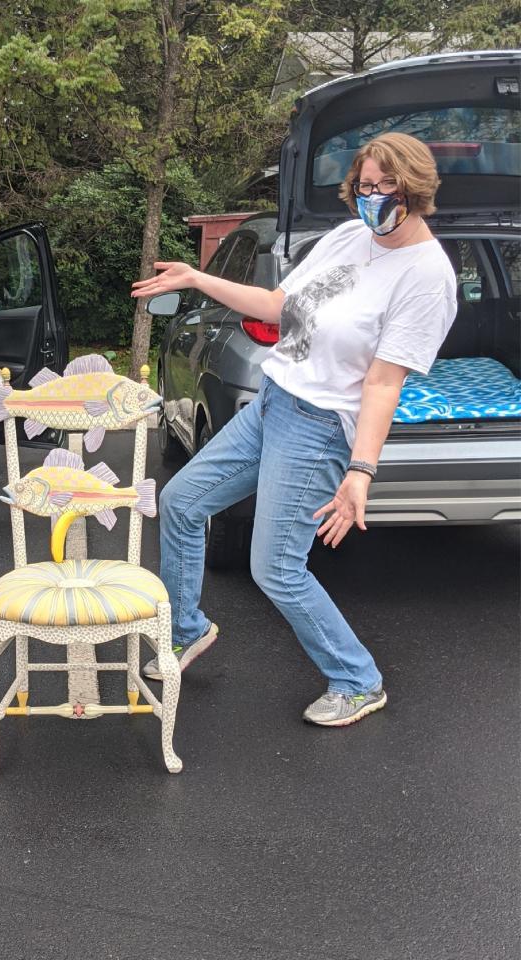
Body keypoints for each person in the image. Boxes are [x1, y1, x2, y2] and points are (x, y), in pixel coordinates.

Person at [131, 132, 456, 726]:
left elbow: (384, 384)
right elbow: (280, 305)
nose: (374, 197)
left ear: (416, 189)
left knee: (276, 568)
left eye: (388, 186)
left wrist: (360, 470)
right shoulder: (351, 236)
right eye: (365, 185)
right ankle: (187, 629)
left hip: (320, 429)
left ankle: (357, 679)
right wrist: (198, 280)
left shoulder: (426, 277)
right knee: (180, 503)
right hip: (272, 401)